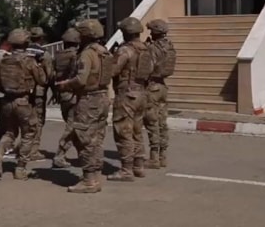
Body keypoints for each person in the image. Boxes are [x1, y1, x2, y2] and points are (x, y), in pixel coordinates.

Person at [55, 19, 112, 194]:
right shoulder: (103, 51)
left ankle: (89, 180)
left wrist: (65, 84)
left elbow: (81, 79)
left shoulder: (87, 53)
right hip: (103, 97)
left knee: (84, 138)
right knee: (97, 139)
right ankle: (95, 176)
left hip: (88, 99)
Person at [0, 28, 46, 180]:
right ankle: (20, 168)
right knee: (29, 133)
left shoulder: (3, 61)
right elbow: (42, 80)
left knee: (10, 132)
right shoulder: (29, 61)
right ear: (26, 43)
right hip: (23, 101)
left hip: (6, 101)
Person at [108, 17, 151, 182]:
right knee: (137, 131)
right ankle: (138, 166)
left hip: (126, 94)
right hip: (142, 93)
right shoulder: (146, 50)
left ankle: (126, 170)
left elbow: (113, 70)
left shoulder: (125, 50)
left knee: (123, 132)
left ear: (125, 32)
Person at [145, 19, 175, 169]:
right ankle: (163, 156)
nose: (150, 33)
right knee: (162, 122)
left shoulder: (152, 48)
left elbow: (147, 69)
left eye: (151, 30)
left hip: (152, 87)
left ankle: (154, 157)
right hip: (163, 86)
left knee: (152, 122)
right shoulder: (169, 46)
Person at [51, 27, 81, 168]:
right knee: (72, 126)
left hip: (62, 94)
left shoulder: (58, 56)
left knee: (73, 126)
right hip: (73, 94)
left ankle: (82, 154)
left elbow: (52, 75)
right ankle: (60, 154)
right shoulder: (76, 56)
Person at [26, 27, 53, 160]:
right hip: (38, 91)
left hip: (23, 91)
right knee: (38, 120)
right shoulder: (44, 54)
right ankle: (33, 150)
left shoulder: (23, 51)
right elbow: (49, 74)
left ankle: (24, 147)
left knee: (26, 120)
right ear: (41, 38)